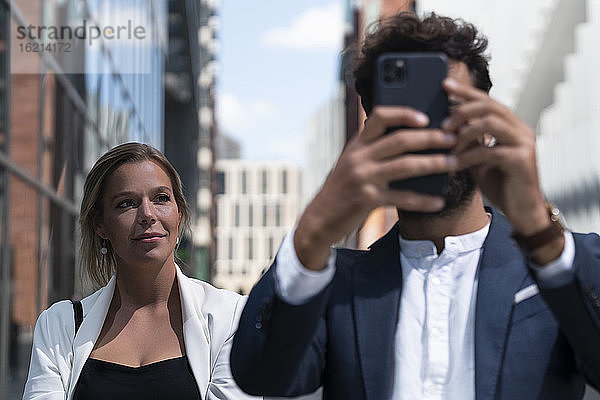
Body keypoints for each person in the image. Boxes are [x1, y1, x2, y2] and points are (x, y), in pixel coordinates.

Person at [230, 12, 600, 400]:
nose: (430, 136)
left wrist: (541, 234)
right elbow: (262, 378)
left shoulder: (562, 262)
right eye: (408, 119)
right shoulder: (338, 285)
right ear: (372, 133)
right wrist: (314, 232)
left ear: (488, 119)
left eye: (447, 110)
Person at [23, 143, 259, 400]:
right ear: (100, 224)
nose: (147, 214)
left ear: (178, 213)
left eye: (161, 198)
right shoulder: (59, 326)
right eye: (126, 203)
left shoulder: (232, 318)